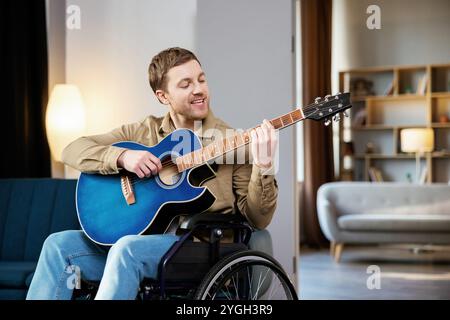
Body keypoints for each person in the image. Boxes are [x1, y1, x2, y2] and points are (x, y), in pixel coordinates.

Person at [26, 47, 278, 300]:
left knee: (126, 248)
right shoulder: (144, 132)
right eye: (186, 84)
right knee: (58, 246)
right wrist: (123, 157)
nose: (199, 89)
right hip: (140, 247)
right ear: (163, 96)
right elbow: (72, 149)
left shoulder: (234, 141)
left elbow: (258, 220)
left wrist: (265, 164)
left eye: (201, 79)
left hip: (200, 248)